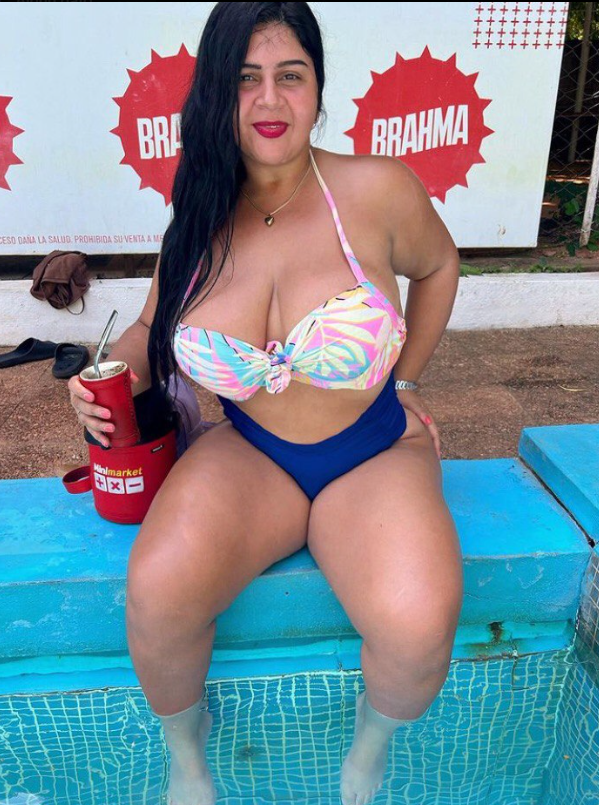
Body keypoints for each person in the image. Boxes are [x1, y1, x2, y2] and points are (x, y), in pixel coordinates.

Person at [68, 3, 464, 804]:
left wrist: (408, 378)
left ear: (318, 88)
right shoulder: (199, 214)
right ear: (217, 93)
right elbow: (149, 329)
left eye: (291, 75)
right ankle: (187, 752)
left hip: (371, 448)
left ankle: (369, 748)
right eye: (246, 79)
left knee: (419, 624)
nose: (270, 100)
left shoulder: (376, 190)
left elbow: (439, 266)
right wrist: (103, 378)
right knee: (157, 592)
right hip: (251, 452)